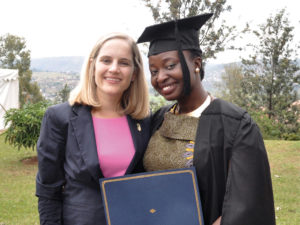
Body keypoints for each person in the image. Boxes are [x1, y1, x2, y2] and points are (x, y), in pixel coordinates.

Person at [137, 14, 276, 225]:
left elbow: (246, 203)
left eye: (170, 65)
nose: (160, 77)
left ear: (197, 63)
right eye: (154, 71)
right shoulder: (159, 119)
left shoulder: (234, 124)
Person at [36, 33, 151, 225]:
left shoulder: (142, 121)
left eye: (124, 63)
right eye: (106, 60)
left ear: (134, 73)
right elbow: (48, 191)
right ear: (92, 66)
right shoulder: (59, 117)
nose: (114, 69)